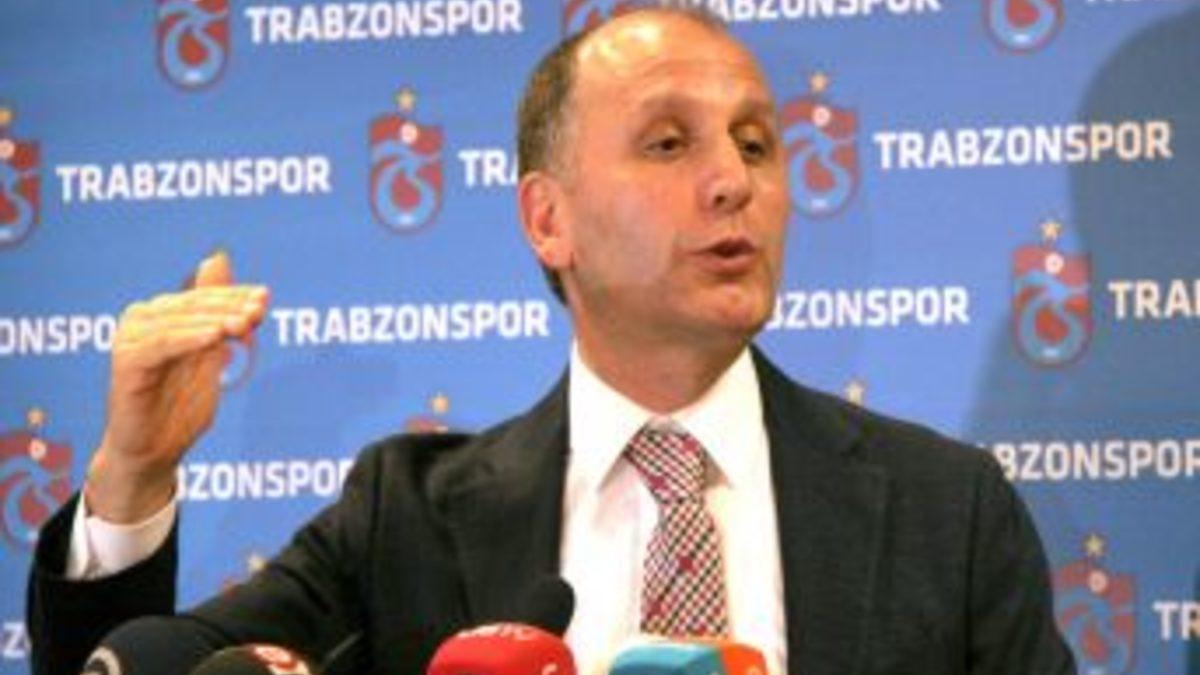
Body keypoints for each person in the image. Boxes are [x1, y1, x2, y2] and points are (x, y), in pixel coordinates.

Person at [27, 8, 1075, 675]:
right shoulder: (407, 518)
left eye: (756, 144)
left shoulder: (949, 511)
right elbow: (136, 666)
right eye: (669, 143)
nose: (732, 180)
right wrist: (133, 478)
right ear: (547, 219)